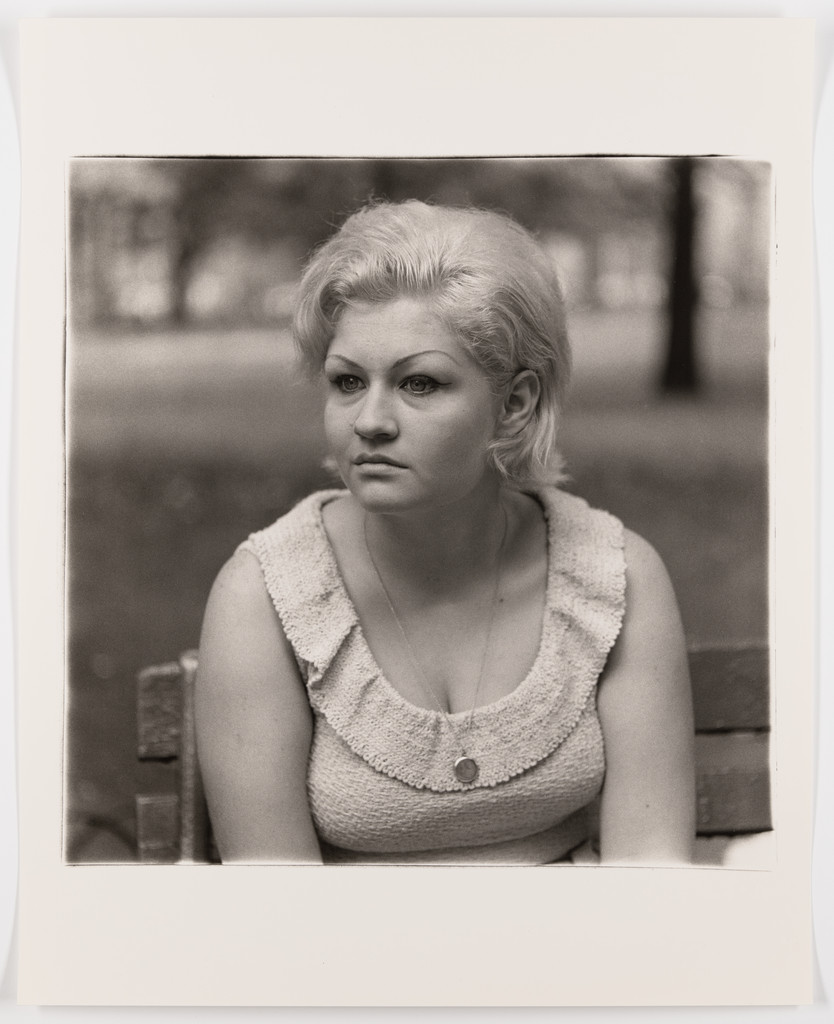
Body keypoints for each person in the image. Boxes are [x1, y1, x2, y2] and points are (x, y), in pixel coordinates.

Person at [196, 200, 695, 865]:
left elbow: (652, 881)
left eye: (419, 383)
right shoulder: (264, 597)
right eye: (347, 382)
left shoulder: (615, 577)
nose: (370, 420)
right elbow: (277, 913)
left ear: (514, 404)